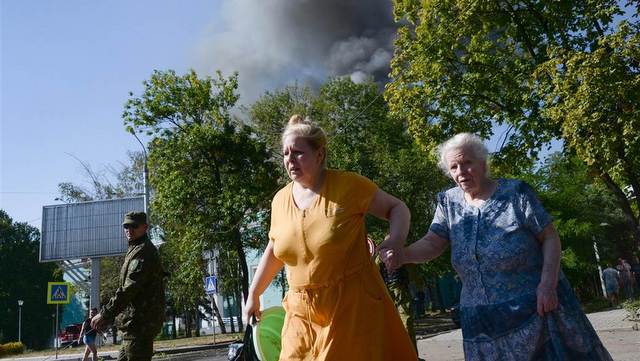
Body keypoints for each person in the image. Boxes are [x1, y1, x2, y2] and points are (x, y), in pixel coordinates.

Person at [381, 133, 612, 360]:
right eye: (453, 167)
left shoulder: (516, 193)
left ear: (482, 162)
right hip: (481, 320)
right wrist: (403, 255)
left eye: (466, 163)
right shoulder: (448, 202)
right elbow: (433, 242)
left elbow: (550, 238)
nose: (460, 172)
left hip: (536, 309)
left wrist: (547, 286)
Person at [243, 115, 417, 360]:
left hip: (350, 306)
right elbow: (275, 248)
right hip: (300, 312)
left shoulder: (349, 186)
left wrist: (396, 240)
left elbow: (397, 208)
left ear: (320, 154)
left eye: (298, 153)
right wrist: (254, 294)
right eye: (285, 154)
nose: (290, 160)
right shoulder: (280, 200)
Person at [91, 211, 165, 361]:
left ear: (145, 227)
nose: (129, 230)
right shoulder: (135, 249)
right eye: (126, 226)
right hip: (133, 327)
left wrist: (105, 314)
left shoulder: (143, 252)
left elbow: (129, 290)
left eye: (134, 226)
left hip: (140, 326)